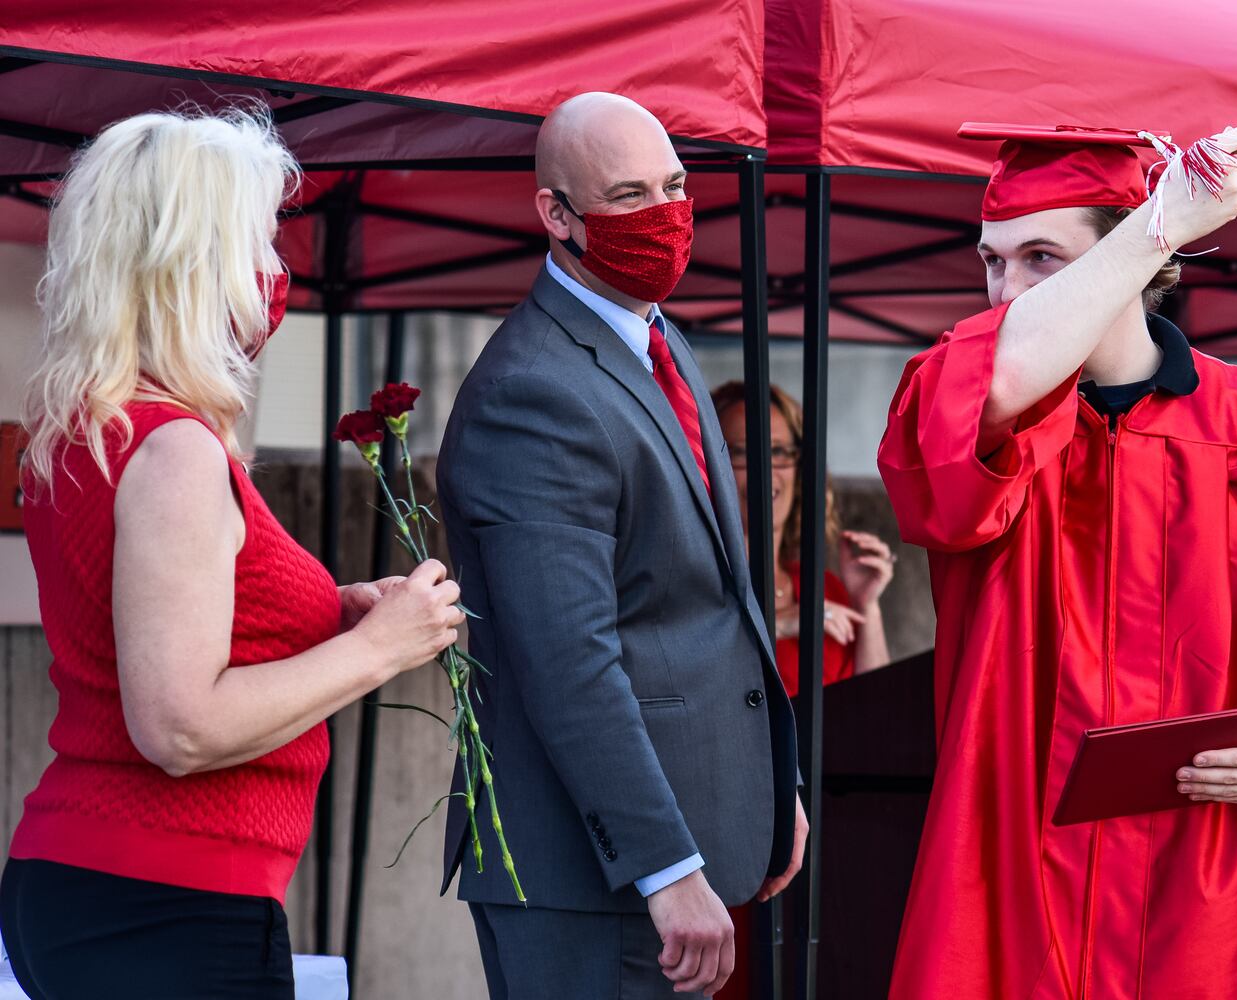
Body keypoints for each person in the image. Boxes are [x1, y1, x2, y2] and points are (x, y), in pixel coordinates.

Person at [878, 124, 1237, 998]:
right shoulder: (957, 402)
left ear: (1132, 261)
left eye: (1040, 257)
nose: (1004, 289)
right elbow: (989, 393)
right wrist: (1157, 225)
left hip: (1203, 881)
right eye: (992, 261)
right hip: (1012, 874)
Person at [0, 108, 463, 1000]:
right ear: (193, 260)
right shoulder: (170, 449)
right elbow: (180, 726)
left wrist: (334, 613)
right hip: (165, 898)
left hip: (111, 885)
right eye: (258, 242)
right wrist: (377, 650)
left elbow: (161, 629)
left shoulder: (88, 432)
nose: (274, 275)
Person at [436, 92, 804, 1000]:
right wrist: (666, 867)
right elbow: (570, 661)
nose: (666, 217)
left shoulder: (654, 337)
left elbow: (715, 603)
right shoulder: (534, 391)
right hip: (596, 882)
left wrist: (770, 793)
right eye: (629, 195)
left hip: (674, 866)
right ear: (556, 215)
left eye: (676, 186)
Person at [712, 381, 896, 695]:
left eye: (779, 451)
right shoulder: (693, 587)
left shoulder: (826, 591)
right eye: (743, 451)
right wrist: (777, 628)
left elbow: (877, 710)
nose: (765, 469)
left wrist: (866, 606)